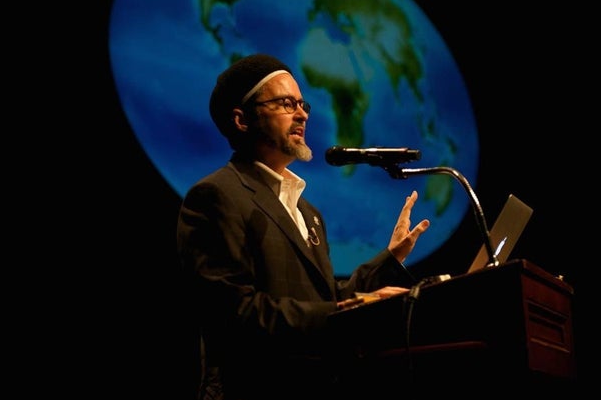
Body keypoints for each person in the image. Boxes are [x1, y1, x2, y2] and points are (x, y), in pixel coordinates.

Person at [176, 53, 430, 400]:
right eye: (285, 103)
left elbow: (325, 300)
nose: (302, 114)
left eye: (301, 103)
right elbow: (236, 312)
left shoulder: (308, 212)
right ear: (242, 120)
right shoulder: (216, 196)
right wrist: (344, 313)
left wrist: (388, 259)